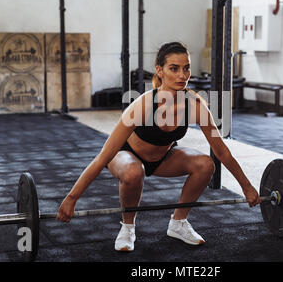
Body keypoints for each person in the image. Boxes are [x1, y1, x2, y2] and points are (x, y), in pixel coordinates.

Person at [56, 41, 261, 251]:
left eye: (186, 68)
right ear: (160, 71)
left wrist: (246, 186)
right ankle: (127, 227)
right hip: (125, 156)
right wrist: (72, 198)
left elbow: (221, 151)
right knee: (135, 171)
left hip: (163, 158)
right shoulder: (143, 105)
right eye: (174, 68)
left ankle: (178, 223)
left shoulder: (195, 105)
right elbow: (103, 156)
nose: (182, 75)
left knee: (205, 164)